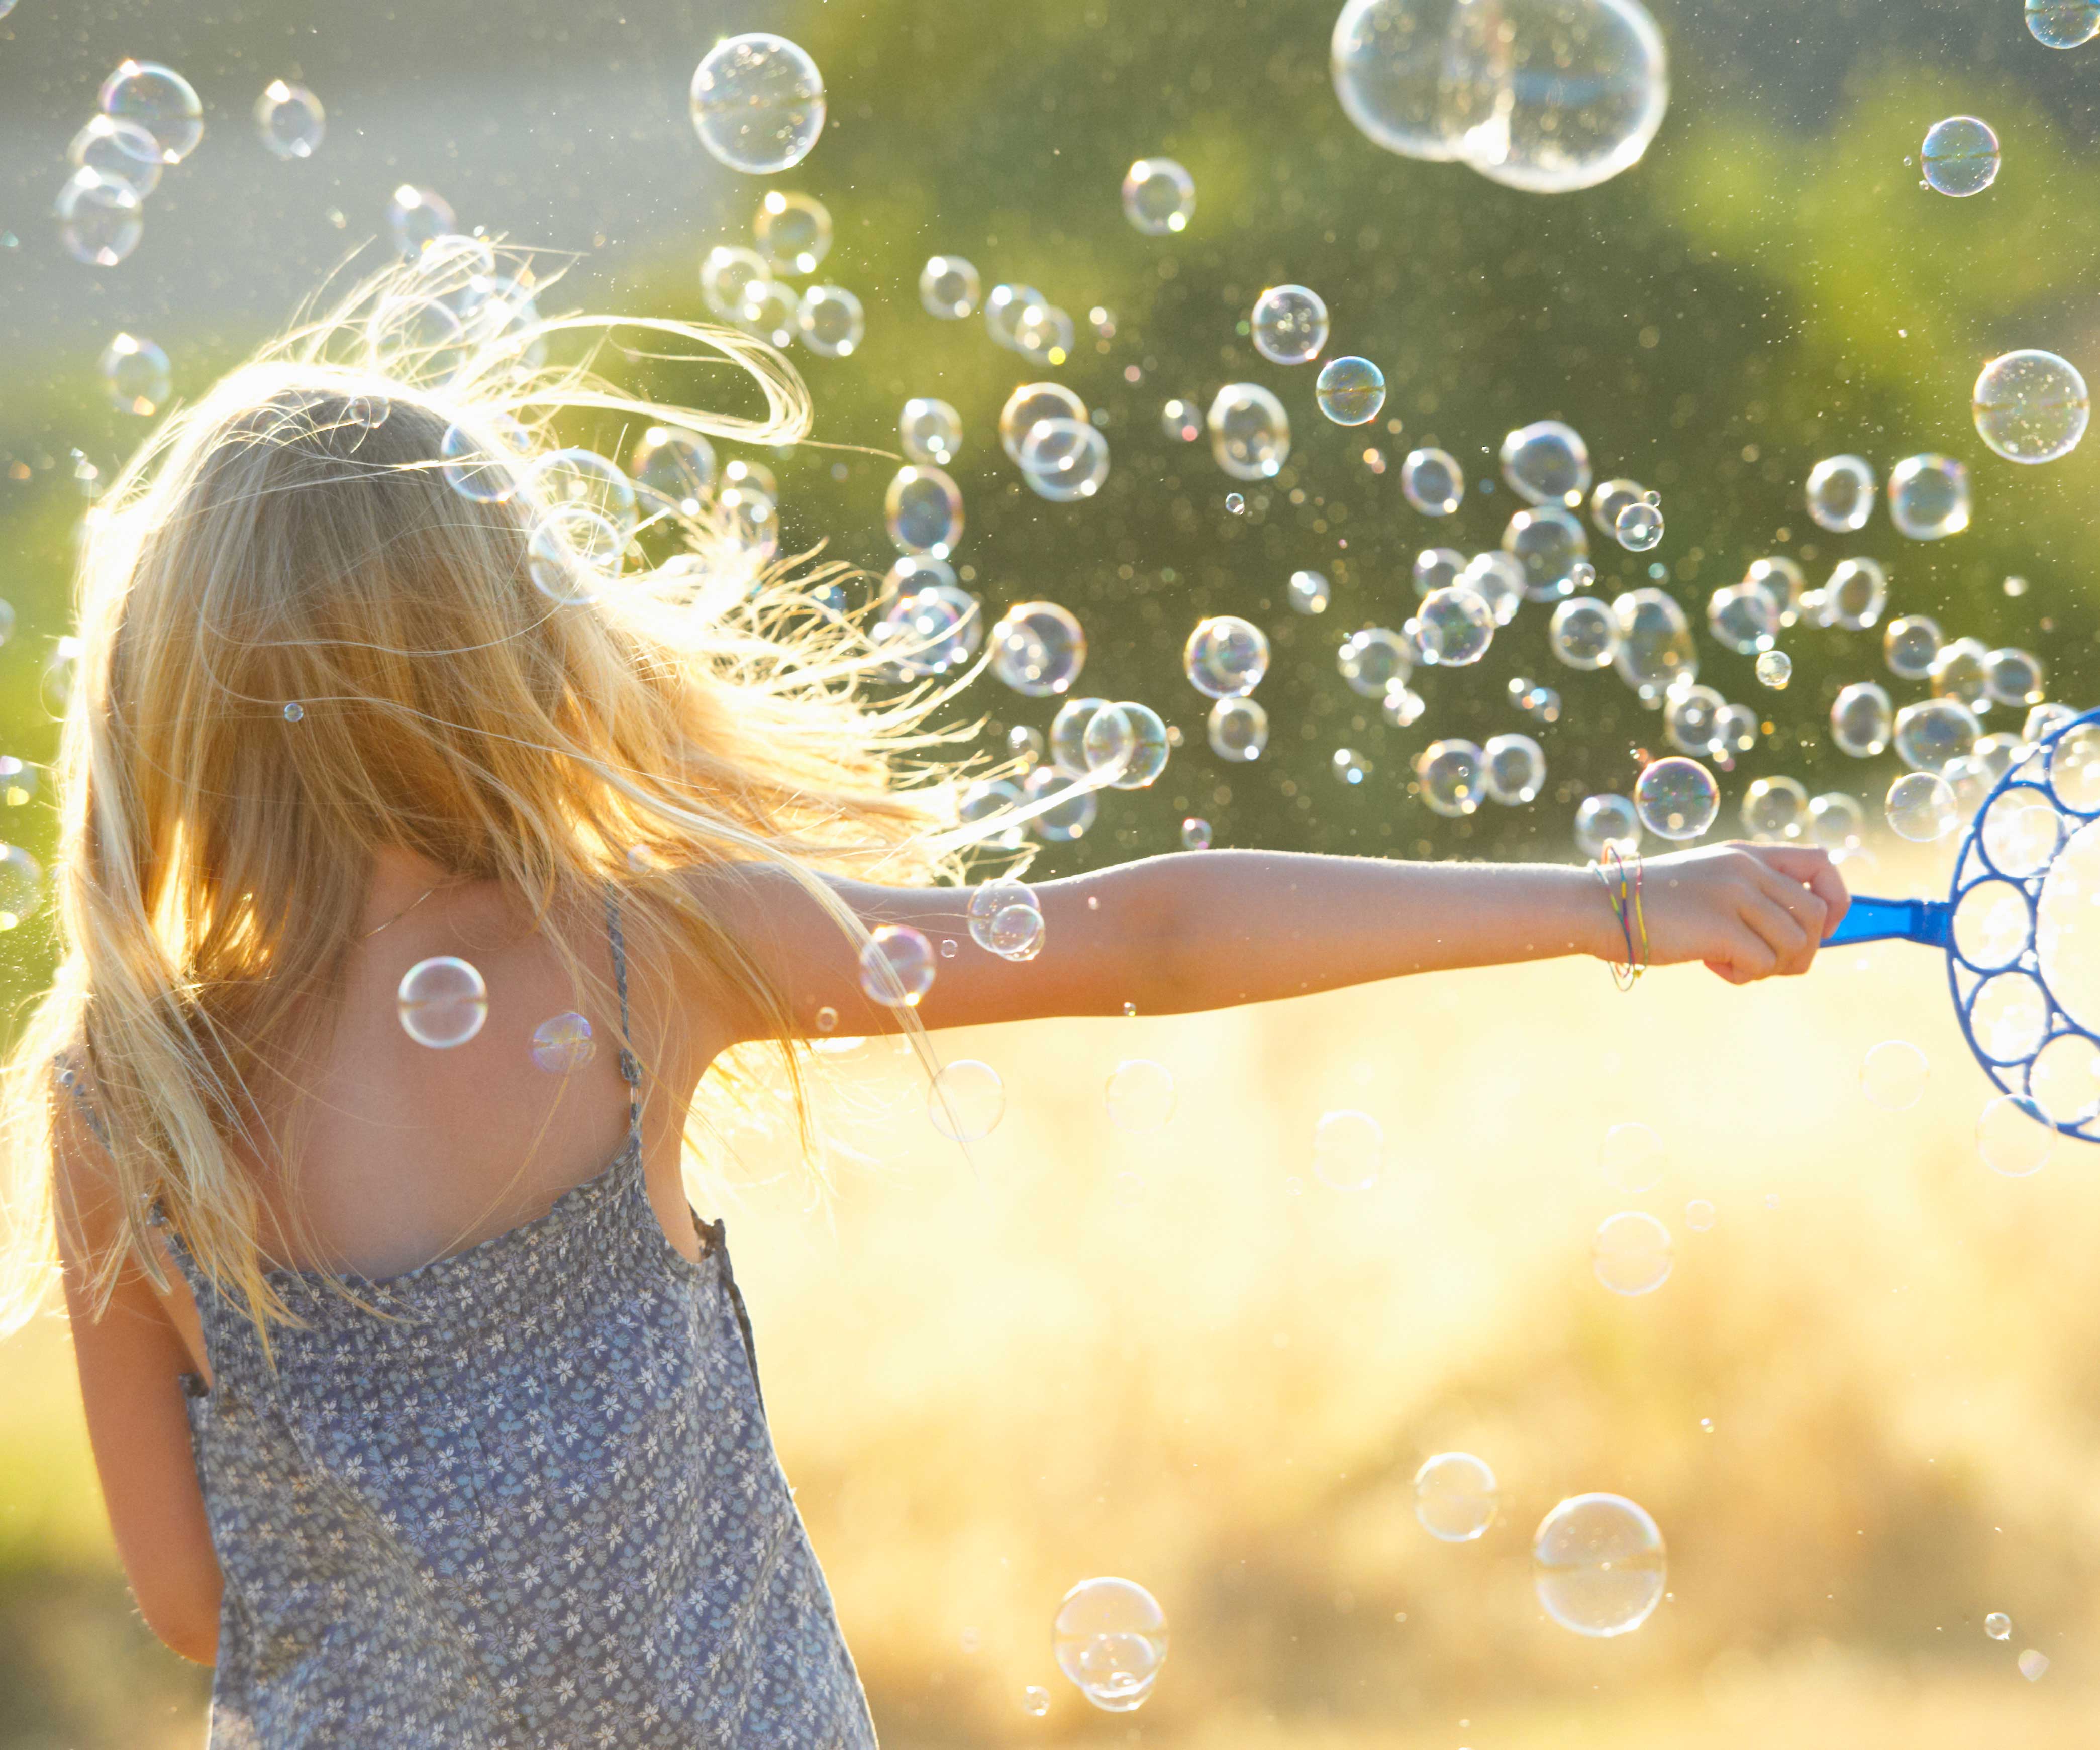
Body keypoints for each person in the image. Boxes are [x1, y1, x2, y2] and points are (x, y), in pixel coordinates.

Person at [0, 253, 1847, 1748]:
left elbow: (194, 1605)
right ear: (512, 651)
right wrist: (1619, 901)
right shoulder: (639, 958)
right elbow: (1149, 937)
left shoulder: (126, 1086)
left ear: (181, 695)